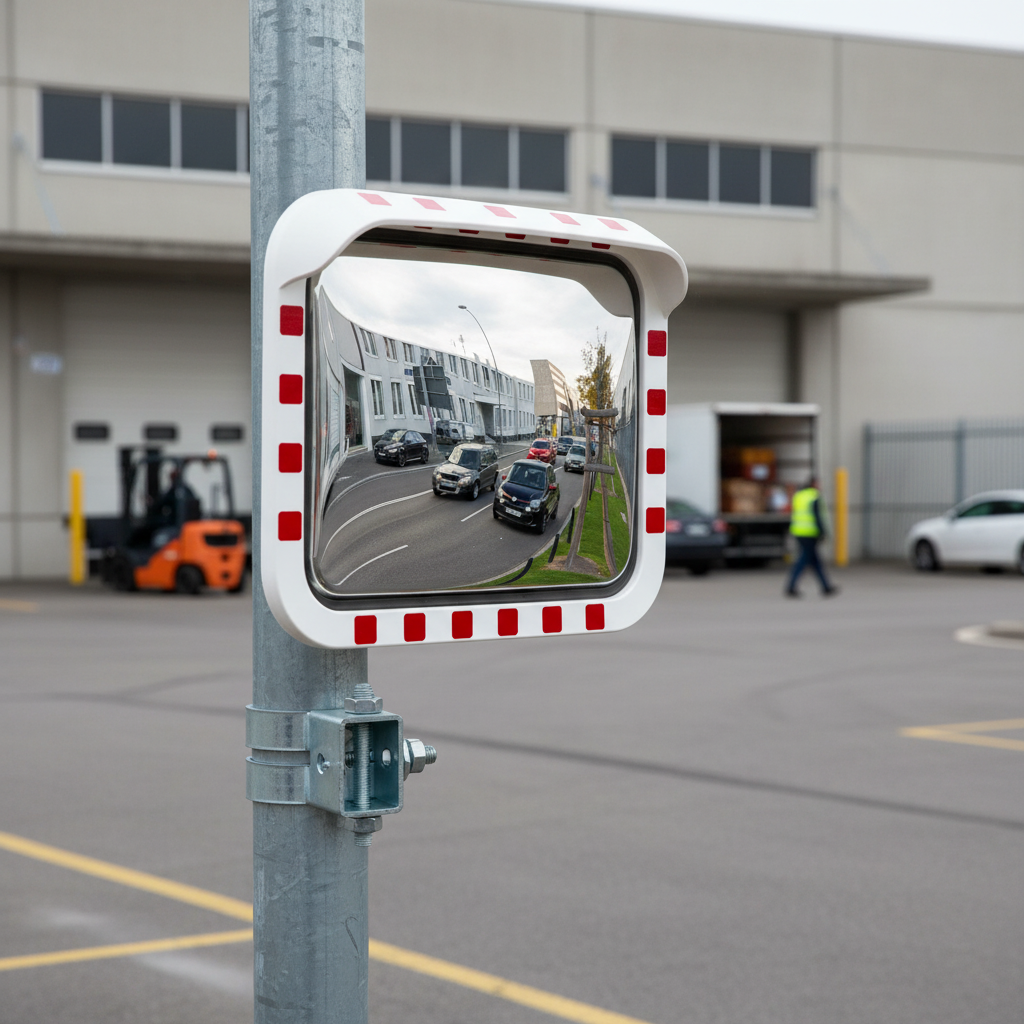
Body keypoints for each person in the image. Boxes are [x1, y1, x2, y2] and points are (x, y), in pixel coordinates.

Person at [785, 477, 838, 597]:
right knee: (803, 560)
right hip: (809, 533)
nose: (820, 486)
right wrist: (823, 533)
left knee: (815, 561)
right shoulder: (814, 496)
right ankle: (791, 586)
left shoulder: (799, 495)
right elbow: (818, 517)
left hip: (798, 531)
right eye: (819, 483)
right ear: (814, 484)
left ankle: (826, 587)